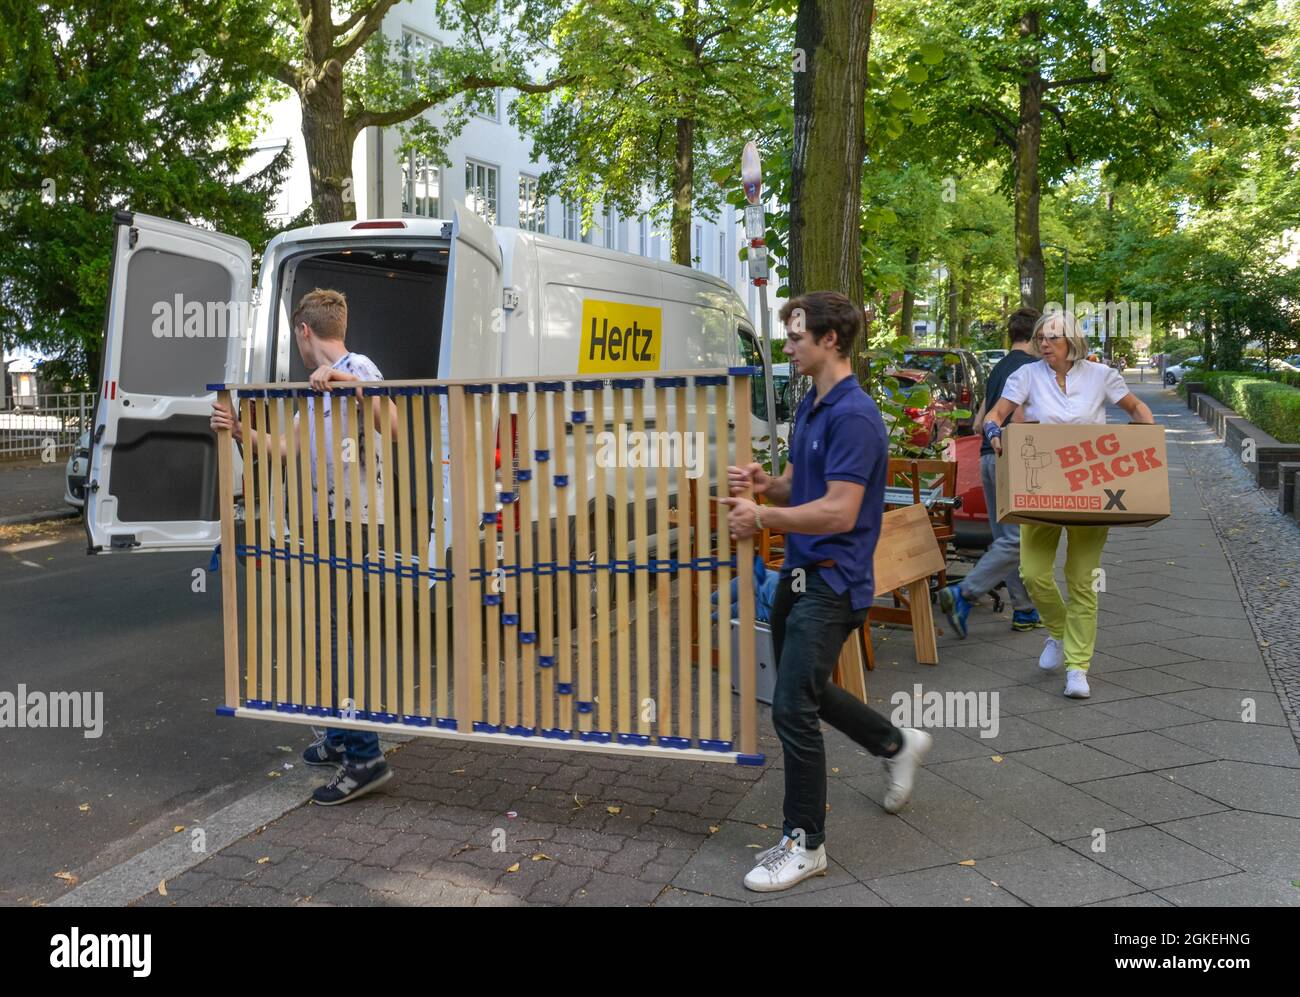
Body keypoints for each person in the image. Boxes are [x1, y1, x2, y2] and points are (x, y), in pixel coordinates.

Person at [722, 291, 932, 893]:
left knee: (790, 705)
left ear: (829, 341)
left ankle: (806, 843)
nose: (787, 348)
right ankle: (895, 742)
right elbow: (800, 486)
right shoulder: (815, 405)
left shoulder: (854, 415)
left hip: (834, 583)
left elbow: (840, 513)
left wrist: (760, 520)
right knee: (806, 691)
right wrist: (768, 486)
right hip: (797, 573)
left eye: (795, 338)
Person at [210, 288, 398, 804]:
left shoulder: (357, 364)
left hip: (350, 523)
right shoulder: (314, 391)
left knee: (332, 636)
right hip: (323, 522)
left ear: (304, 332)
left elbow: (394, 423)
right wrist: (239, 430)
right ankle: (341, 736)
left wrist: (343, 378)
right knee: (324, 632)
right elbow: (286, 450)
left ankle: (365, 757)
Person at [984, 310, 1155, 699]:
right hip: (1041, 486)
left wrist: (1148, 439)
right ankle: (1060, 635)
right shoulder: (1025, 375)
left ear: (1072, 342)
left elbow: (1135, 410)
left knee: (1082, 579)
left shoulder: (1101, 376)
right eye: (1040, 337)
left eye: (1052, 338)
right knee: (1032, 573)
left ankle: (1077, 667)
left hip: (1091, 487)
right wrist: (995, 432)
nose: (1044, 343)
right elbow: (997, 414)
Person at [938, 308, 1042, 637]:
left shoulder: (999, 368)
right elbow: (1027, 420)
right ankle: (964, 591)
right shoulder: (1032, 370)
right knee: (1018, 540)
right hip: (1013, 457)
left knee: (1005, 540)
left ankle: (1024, 611)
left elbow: (983, 417)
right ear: (1037, 336)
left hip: (987, 457)